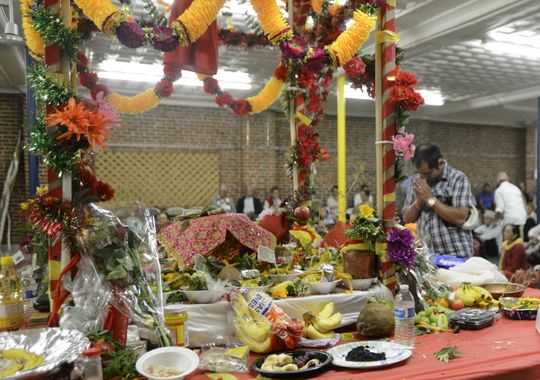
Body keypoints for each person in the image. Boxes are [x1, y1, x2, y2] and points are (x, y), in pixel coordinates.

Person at [402, 144, 475, 257]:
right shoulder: (418, 181)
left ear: (440, 163)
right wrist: (418, 203)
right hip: (429, 255)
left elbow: (460, 217)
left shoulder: (457, 179)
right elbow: (407, 218)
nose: (424, 178)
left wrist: (430, 199)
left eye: (428, 173)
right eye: (421, 173)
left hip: (456, 254)